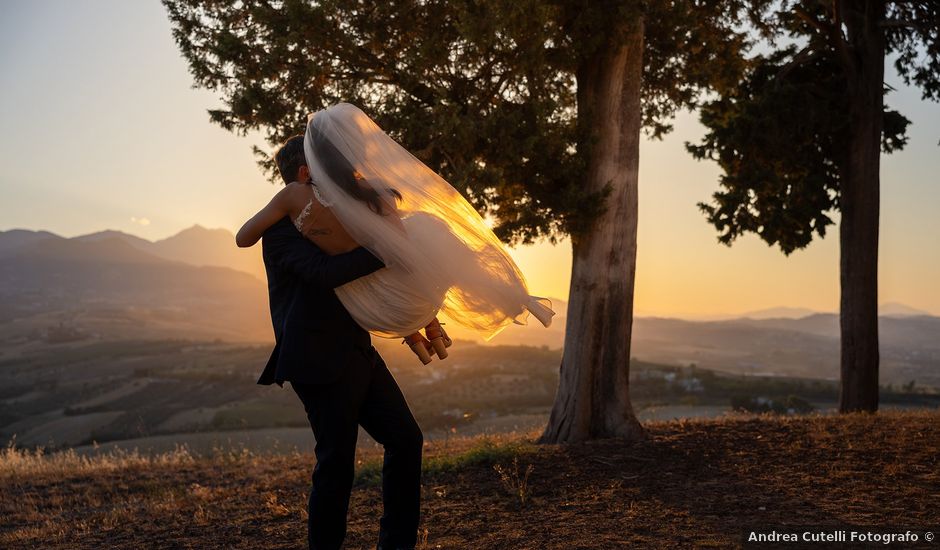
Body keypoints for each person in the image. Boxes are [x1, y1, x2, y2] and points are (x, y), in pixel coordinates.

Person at [238, 103, 555, 364]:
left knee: (399, 254)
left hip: (370, 306)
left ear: (307, 170)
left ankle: (423, 333)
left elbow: (243, 238)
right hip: (402, 296)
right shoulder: (370, 194)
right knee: (426, 229)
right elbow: (401, 251)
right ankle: (470, 314)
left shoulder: (291, 198)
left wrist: (282, 217)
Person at [254, 143, 423, 550]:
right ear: (303, 174)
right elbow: (324, 272)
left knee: (405, 439)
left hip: (358, 351)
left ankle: (397, 544)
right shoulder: (278, 232)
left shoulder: (339, 218)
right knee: (336, 466)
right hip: (315, 360)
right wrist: (387, 249)